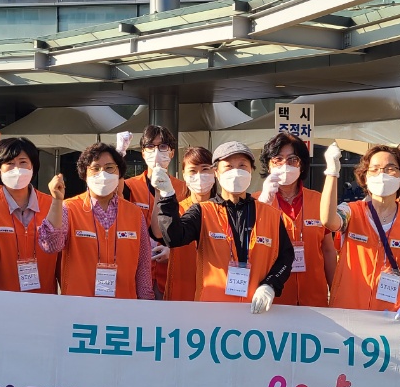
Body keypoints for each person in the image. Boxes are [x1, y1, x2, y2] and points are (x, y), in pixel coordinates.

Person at [158, 140, 293, 312]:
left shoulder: (271, 215)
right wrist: (167, 197)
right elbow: (174, 237)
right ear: (216, 172)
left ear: (251, 170)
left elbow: (286, 257)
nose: (236, 172)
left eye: (242, 166)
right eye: (228, 167)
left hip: (256, 312)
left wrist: (271, 284)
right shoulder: (202, 211)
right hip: (212, 313)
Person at [320, 143, 400, 317]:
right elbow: (328, 221)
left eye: (390, 169)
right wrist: (332, 173)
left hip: (392, 318)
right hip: (348, 314)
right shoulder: (351, 212)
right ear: (365, 177)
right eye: (374, 169)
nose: (382, 174)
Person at [38, 142, 154, 299]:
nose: (103, 174)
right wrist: (57, 201)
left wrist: (146, 302)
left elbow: (143, 266)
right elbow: (51, 246)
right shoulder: (69, 208)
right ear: (85, 174)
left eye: (109, 168)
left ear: (119, 172)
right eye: (95, 168)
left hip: (123, 306)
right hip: (80, 306)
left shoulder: (135, 213)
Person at [258, 132, 334, 307]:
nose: (285, 165)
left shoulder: (319, 200)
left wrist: (335, 290)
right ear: (268, 165)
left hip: (314, 298)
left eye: (293, 160)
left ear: (302, 165)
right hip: (273, 299)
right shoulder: (257, 202)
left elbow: (328, 250)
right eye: (278, 159)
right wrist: (262, 205)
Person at [120, 125, 188, 300]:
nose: (156, 151)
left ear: (172, 153)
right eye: (150, 146)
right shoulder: (129, 186)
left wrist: (173, 251)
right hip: (136, 268)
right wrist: (118, 155)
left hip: (171, 272)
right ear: (143, 153)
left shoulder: (183, 188)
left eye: (163, 146)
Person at [0, 137, 60, 295]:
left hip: (44, 298)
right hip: (0, 298)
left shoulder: (53, 205)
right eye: (10, 163)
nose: (17, 169)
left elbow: (62, 257)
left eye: (23, 162)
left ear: (33, 165)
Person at [165, 147, 216, 303]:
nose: (199, 176)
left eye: (205, 169)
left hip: (215, 289)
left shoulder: (223, 210)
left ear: (215, 171)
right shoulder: (176, 210)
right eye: (193, 171)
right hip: (182, 288)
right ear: (184, 175)